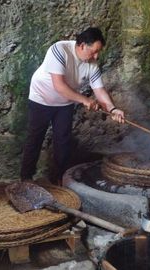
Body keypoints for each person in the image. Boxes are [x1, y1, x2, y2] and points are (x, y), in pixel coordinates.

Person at [20, 27, 125, 185]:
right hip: (41, 98)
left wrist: (112, 109)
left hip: (65, 103)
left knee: (63, 140)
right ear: (82, 45)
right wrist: (85, 100)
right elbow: (59, 86)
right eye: (94, 51)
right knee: (35, 138)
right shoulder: (59, 50)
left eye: (98, 52)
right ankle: (26, 178)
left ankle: (60, 178)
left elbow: (100, 90)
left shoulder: (92, 64)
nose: (96, 56)